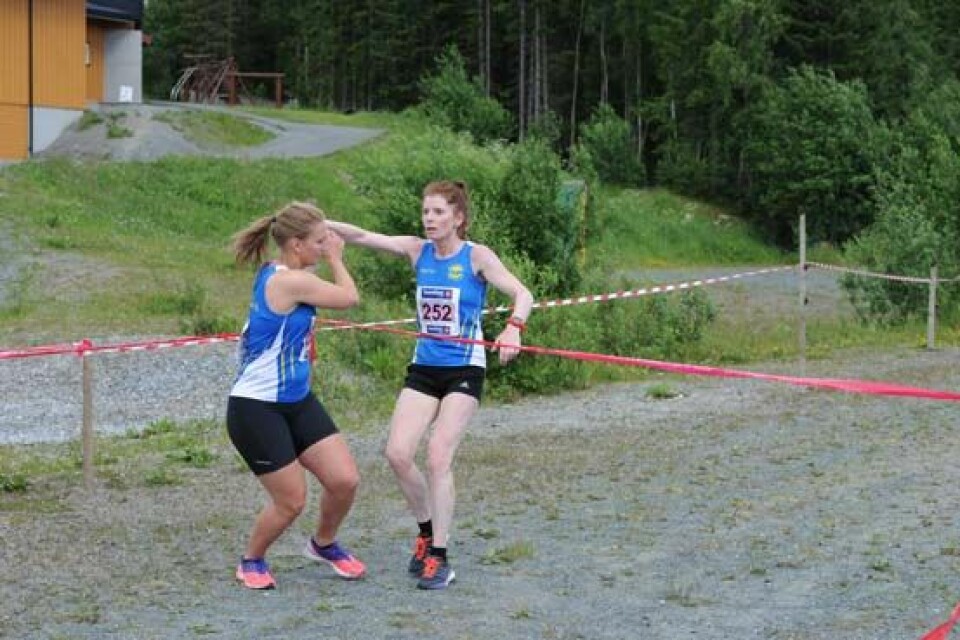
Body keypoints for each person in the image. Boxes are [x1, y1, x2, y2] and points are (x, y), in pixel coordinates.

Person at [327, 180, 534, 590]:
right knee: (397, 453)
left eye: (438, 212)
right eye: (426, 212)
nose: (429, 219)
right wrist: (317, 222)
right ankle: (425, 531)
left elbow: (522, 293)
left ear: (458, 218)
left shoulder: (476, 256)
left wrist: (514, 327)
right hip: (424, 367)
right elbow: (362, 236)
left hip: (464, 368)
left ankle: (440, 557)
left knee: (438, 456)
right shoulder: (416, 250)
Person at [228, 201, 367, 590]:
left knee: (344, 480)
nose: (325, 246)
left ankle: (323, 544)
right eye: (319, 241)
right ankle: (251, 559)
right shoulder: (289, 282)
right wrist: (337, 258)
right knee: (291, 501)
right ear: (295, 245)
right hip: (256, 408)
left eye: (327, 241)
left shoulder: (284, 271)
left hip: (296, 400)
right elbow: (349, 298)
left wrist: (324, 233)